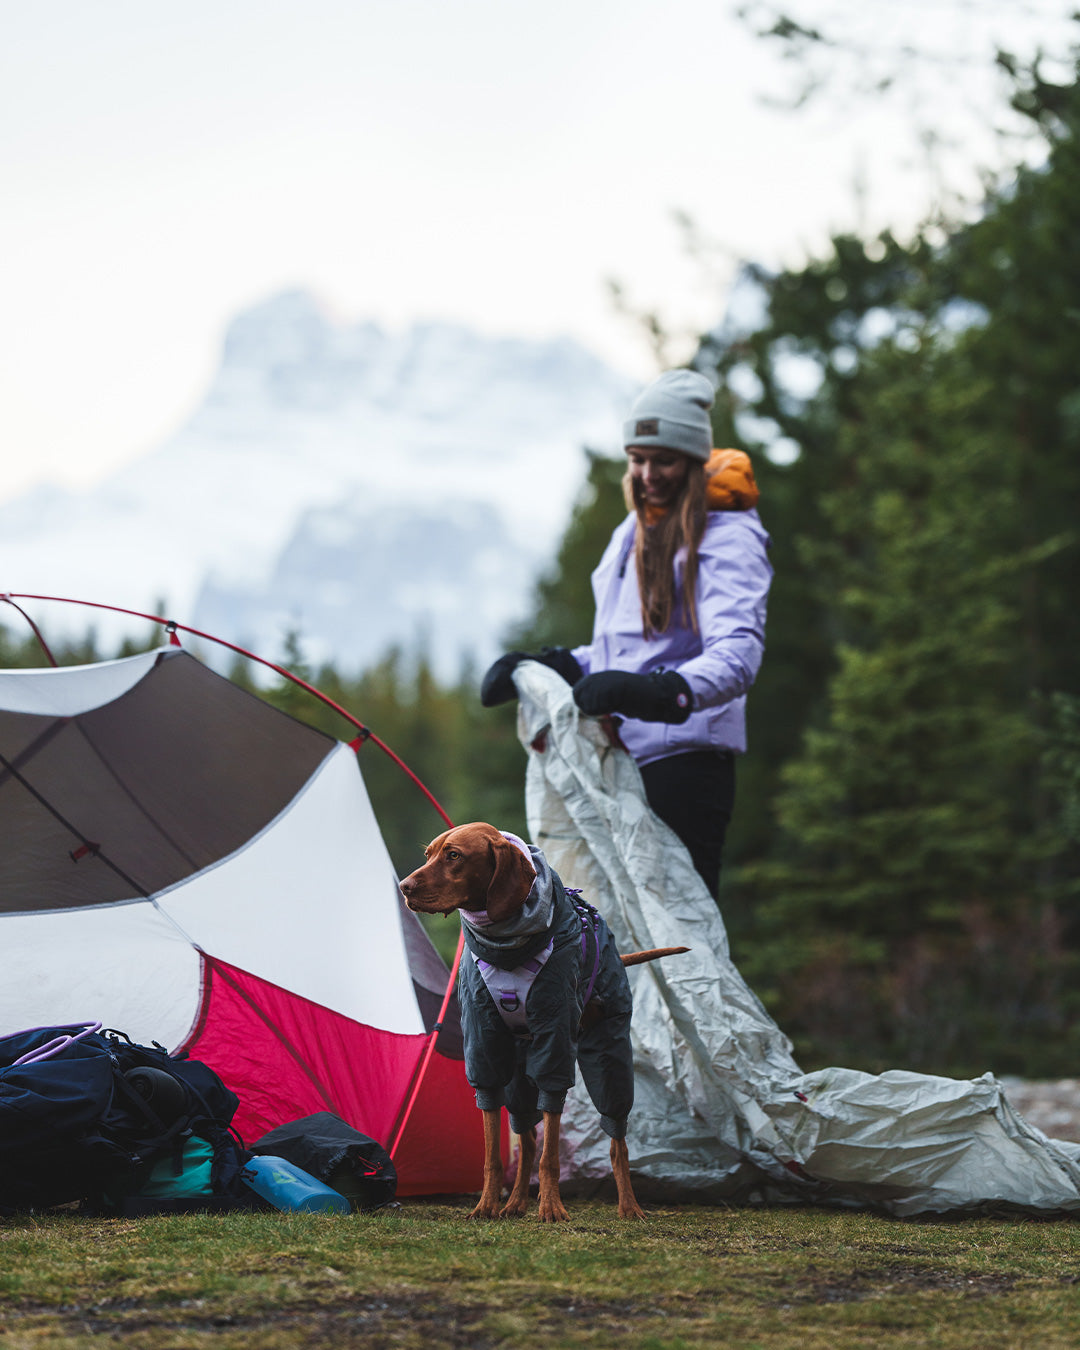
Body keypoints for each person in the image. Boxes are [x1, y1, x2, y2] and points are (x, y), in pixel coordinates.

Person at [482, 369, 772, 899]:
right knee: (617, 932)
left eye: (663, 459)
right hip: (618, 759)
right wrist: (561, 665)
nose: (648, 473)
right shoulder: (633, 529)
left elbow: (738, 653)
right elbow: (625, 649)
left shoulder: (730, 535)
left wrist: (664, 691)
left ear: (691, 459)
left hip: (685, 765)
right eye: (638, 459)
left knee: (682, 933)